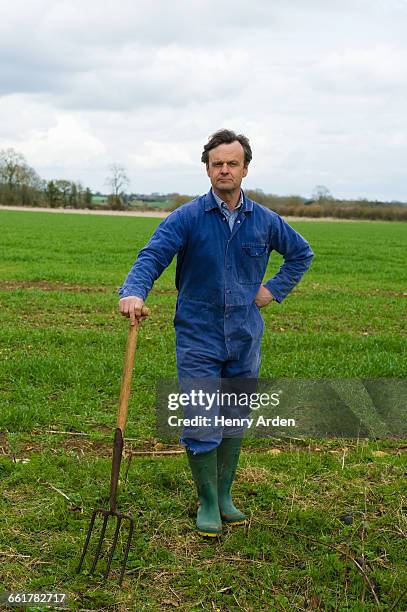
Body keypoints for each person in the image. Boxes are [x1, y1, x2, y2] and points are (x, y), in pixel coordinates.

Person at [119, 129, 314, 537]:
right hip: (198, 336)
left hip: (245, 337)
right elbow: (152, 255)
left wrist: (273, 289)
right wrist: (135, 292)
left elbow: (301, 253)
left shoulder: (265, 221)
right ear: (207, 168)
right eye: (216, 163)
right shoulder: (187, 218)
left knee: (234, 418)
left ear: (245, 168)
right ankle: (207, 501)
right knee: (201, 418)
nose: (224, 169)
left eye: (232, 163)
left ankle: (225, 496)